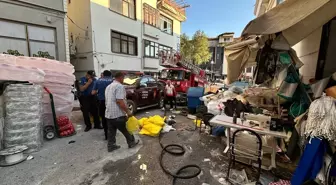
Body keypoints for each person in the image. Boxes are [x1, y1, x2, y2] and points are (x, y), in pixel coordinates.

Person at [105, 72, 139, 152]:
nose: (124, 79)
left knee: (111, 132)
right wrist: (128, 112)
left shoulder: (108, 86)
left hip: (109, 114)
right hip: (118, 114)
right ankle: (131, 143)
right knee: (126, 129)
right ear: (120, 77)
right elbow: (120, 101)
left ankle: (111, 146)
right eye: (123, 78)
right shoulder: (119, 86)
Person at [92, 70, 113, 140]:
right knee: (112, 117)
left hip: (102, 102)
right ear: (110, 75)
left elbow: (93, 92)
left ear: (103, 75)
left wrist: (99, 91)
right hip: (111, 102)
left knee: (104, 118)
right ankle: (112, 133)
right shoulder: (112, 81)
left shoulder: (98, 81)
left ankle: (106, 134)